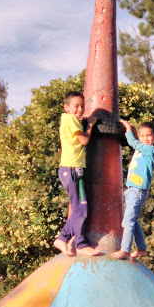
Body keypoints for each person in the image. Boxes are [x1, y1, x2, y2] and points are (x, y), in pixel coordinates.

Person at [53, 91, 101, 257]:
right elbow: (84, 141)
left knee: (79, 208)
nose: (80, 109)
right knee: (81, 209)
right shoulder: (71, 119)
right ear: (67, 107)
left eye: (82, 106)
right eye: (76, 106)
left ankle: (62, 238)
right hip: (74, 169)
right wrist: (90, 126)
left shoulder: (66, 120)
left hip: (68, 169)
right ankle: (80, 243)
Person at [112, 120, 154, 260]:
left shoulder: (151, 150)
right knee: (133, 220)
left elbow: (135, 143)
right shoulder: (142, 148)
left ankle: (125, 249)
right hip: (132, 189)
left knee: (128, 221)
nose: (145, 138)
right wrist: (133, 130)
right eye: (142, 135)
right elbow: (138, 142)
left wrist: (127, 130)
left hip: (138, 190)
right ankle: (141, 249)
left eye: (148, 135)